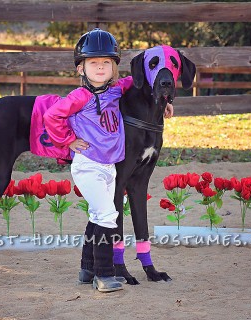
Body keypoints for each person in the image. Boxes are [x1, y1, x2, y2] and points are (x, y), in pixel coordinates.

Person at [44, 28, 173, 292]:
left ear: (115, 68)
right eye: (93, 63)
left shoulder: (116, 89)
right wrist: (67, 140)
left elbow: (143, 84)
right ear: (81, 69)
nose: (100, 67)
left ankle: (86, 268)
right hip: (88, 164)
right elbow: (51, 117)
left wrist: (164, 102)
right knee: (107, 214)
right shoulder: (79, 97)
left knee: (97, 213)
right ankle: (105, 275)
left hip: (107, 166)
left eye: (107, 63)